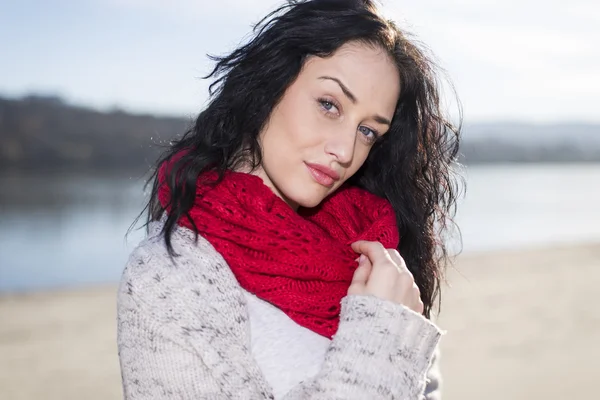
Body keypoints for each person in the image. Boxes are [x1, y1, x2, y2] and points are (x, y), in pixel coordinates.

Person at [117, 0, 462, 398]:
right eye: (329, 105)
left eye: (368, 131)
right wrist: (380, 336)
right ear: (269, 86)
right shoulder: (168, 275)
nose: (345, 150)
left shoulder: (380, 259)